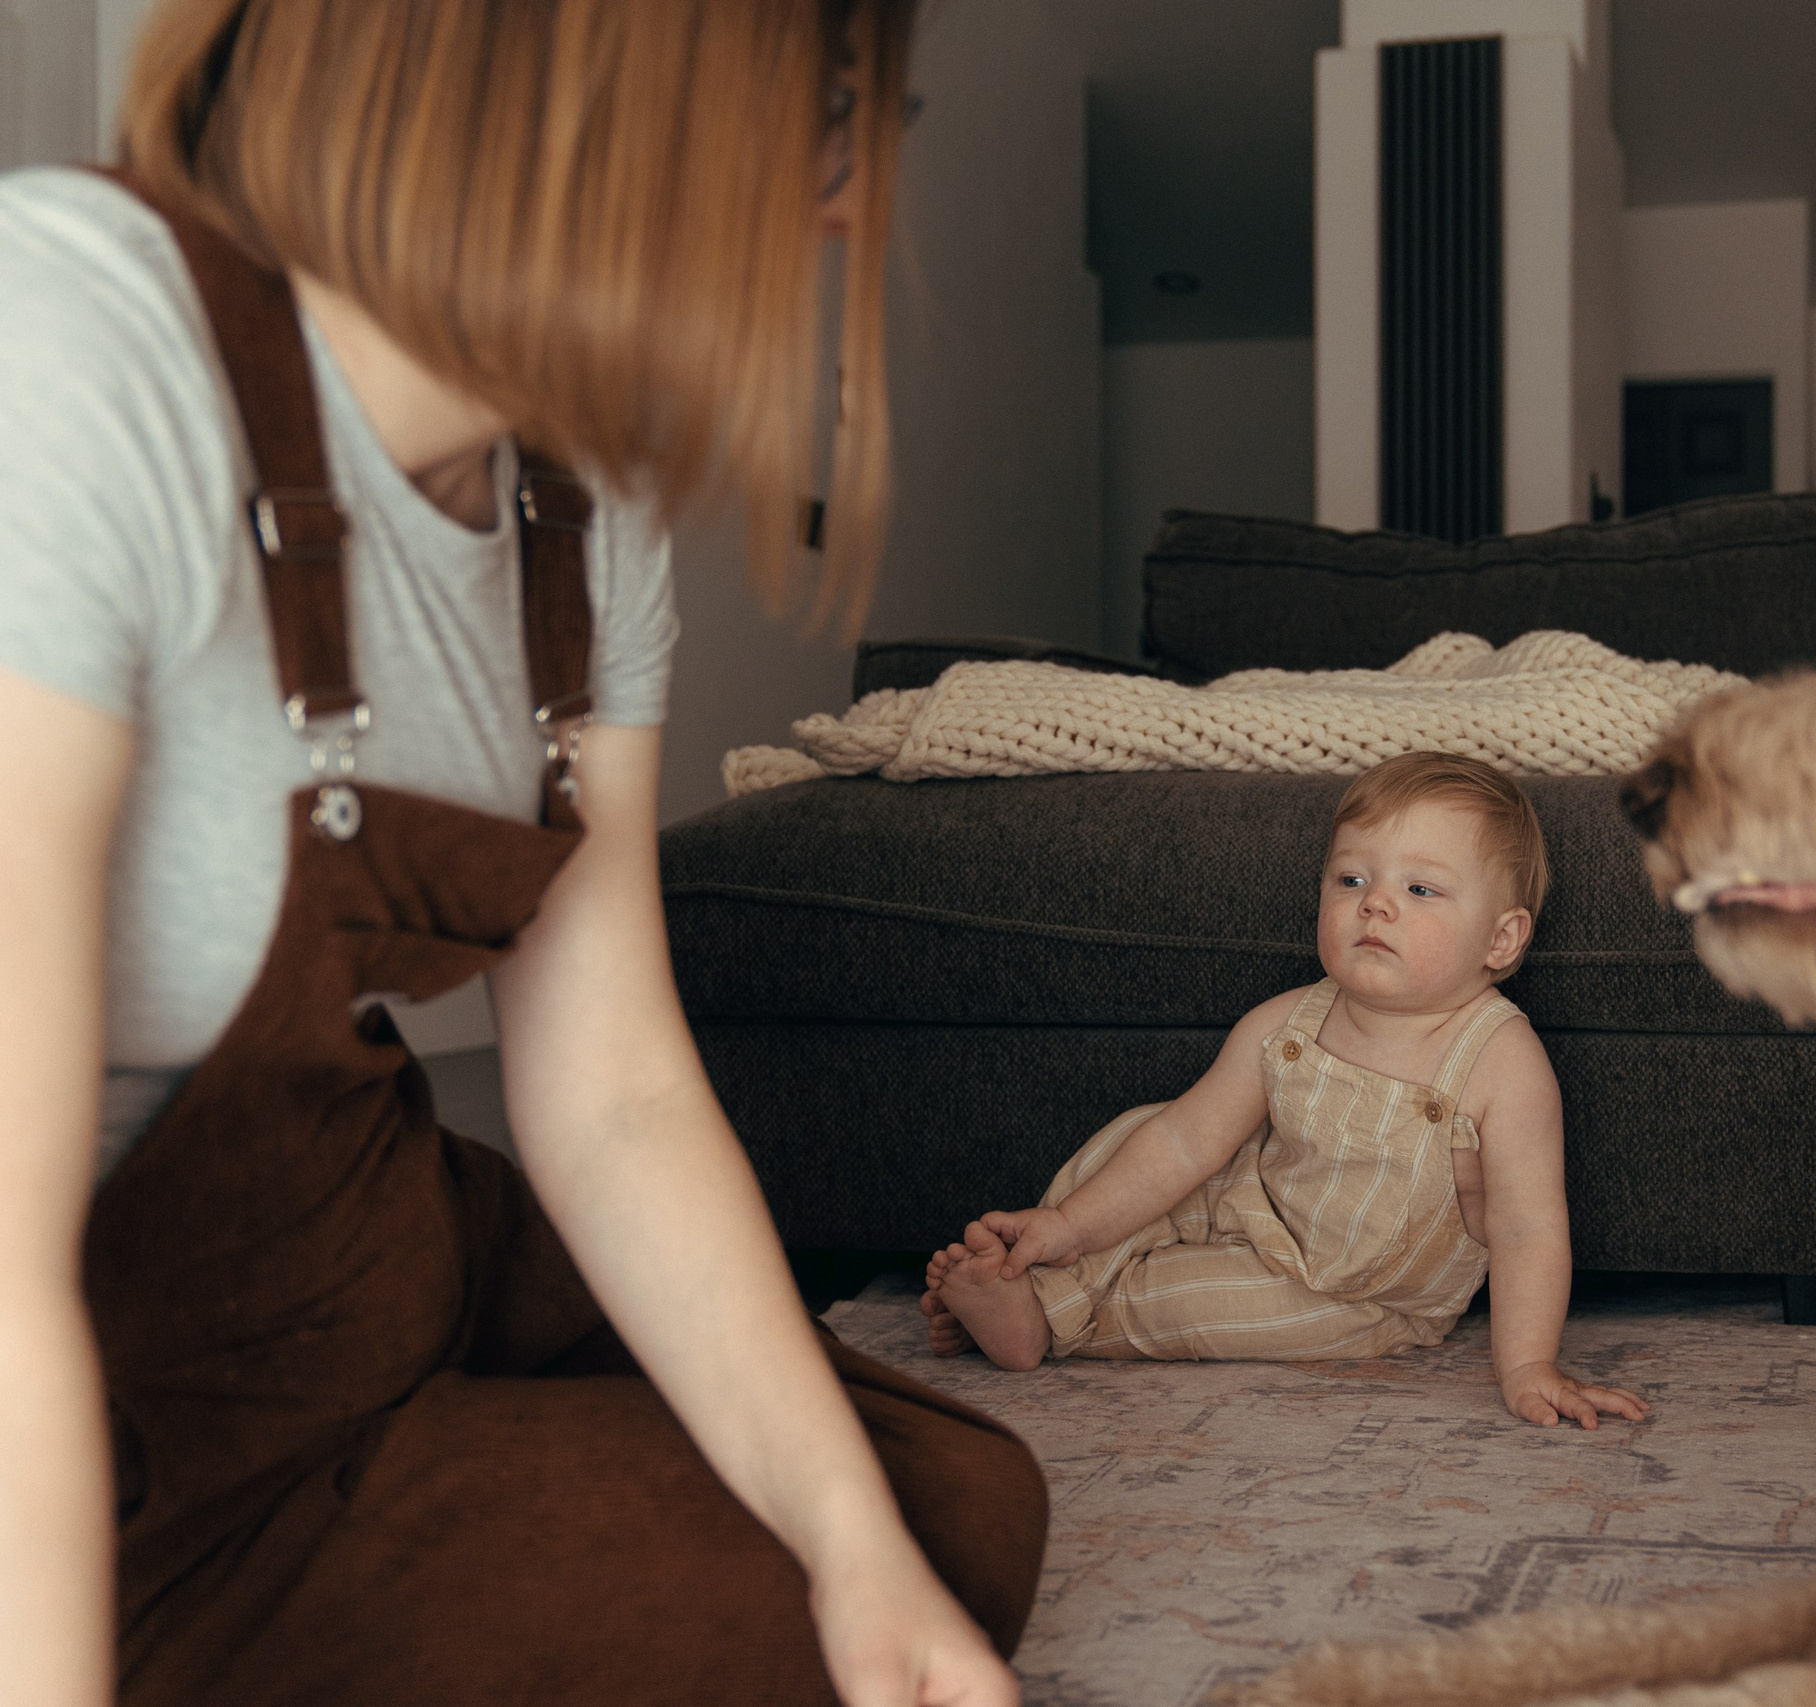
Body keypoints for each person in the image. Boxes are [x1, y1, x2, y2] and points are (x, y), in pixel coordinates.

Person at [0, 3, 1047, 1704]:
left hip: (365, 1256)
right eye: (834, 114)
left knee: (941, 1522)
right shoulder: (74, 348)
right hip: (132, 1392)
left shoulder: (579, 494)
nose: (848, 201)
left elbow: (615, 1085)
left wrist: (854, 1548)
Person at [921, 753, 1653, 1432]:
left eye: (1419, 888)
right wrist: (1074, 1224)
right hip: (1249, 1195)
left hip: (1349, 1292)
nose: (1376, 906)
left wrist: (1528, 1365)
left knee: (1197, 1308)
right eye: (1352, 880)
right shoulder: (1287, 1021)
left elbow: (1529, 1229)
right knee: (1143, 1133)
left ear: (1501, 940)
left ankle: (1035, 1319)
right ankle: (1040, 1258)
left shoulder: (1502, 1060)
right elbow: (1186, 1141)